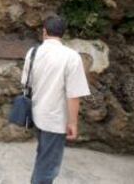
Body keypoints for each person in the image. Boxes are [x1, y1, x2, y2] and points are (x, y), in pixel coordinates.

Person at [22, 16, 91, 184]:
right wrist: (73, 123)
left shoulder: (33, 53)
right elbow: (74, 94)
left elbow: (25, 83)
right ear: (63, 33)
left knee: (43, 155)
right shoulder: (71, 57)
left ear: (44, 31)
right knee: (48, 166)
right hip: (55, 120)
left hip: (36, 115)